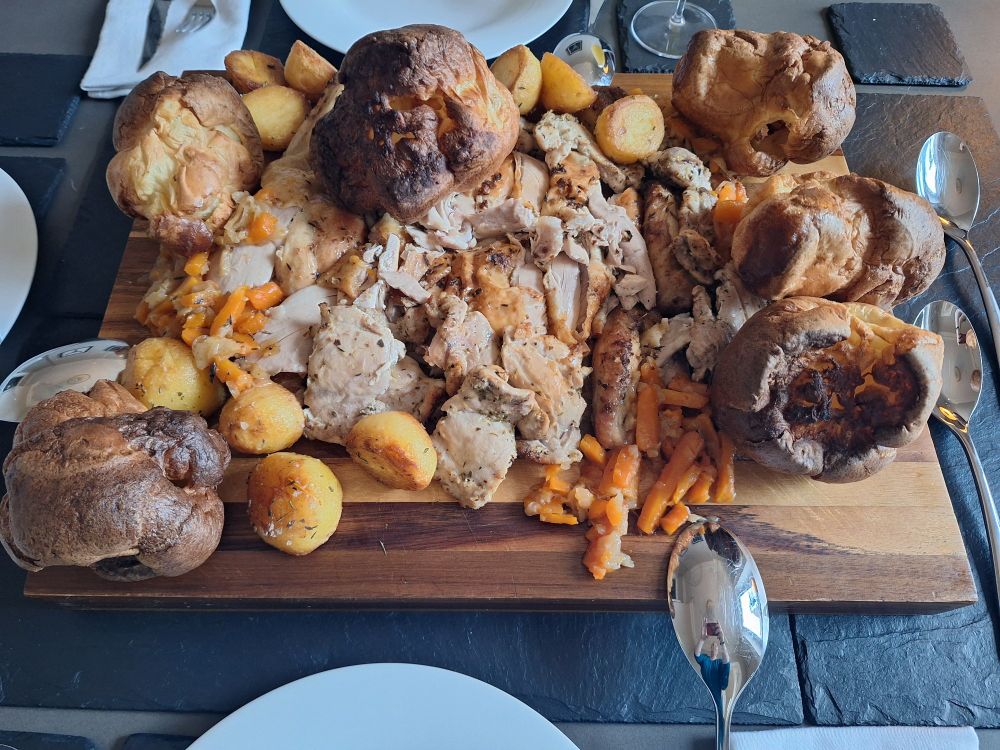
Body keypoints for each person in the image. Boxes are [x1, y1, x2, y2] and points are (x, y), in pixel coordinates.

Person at [694, 600, 731, 709]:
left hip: (718, 699)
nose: (714, 648)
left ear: (718, 649)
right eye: (712, 646)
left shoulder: (720, 663)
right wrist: (702, 639)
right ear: (710, 649)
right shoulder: (705, 660)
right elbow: (697, 655)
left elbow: (727, 663)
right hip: (703, 699)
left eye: (716, 646)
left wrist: (722, 641)